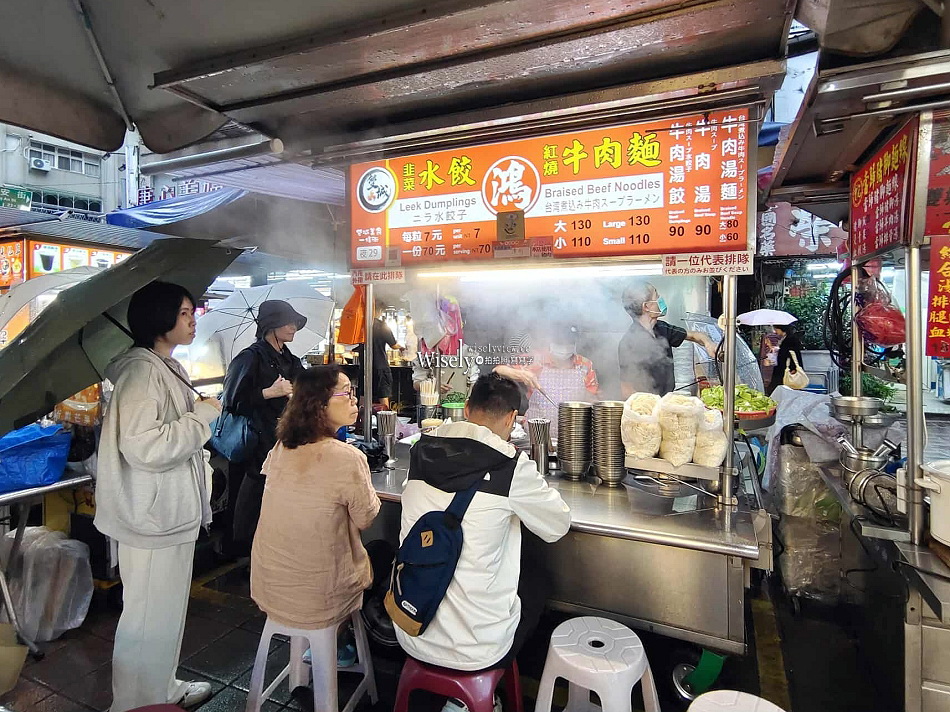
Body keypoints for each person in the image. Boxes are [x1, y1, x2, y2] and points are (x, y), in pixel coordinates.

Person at [94, 281, 223, 712]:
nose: (192, 321)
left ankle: (162, 691)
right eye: (185, 313)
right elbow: (145, 447)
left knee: (164, 616)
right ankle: (133, 703)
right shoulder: (141, 372)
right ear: (159, 318)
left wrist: (195, 411)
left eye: (192, 312)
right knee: (146, 618)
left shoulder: (166, 366)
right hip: (151, 517)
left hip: (170, 513)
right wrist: (202, 415)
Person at [395, 373, 571, 683]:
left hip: (411, 627)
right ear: (512, 418)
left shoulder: (421, 448)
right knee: (537, 581)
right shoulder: (511, 466)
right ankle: (487, 691)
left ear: (465, 408)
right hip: (476, 649)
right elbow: (557, 526)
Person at [251, 366, 380, 662]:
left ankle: (319, 651)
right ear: (319, 404)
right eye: (346, 393)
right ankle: (341, 642)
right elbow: (367, 519)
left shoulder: (282, 447)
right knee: (381, 553)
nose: (355, 400)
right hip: (318, 600)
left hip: (268, 586)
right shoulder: (347, 458)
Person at [221, 300, 307, 556]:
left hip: (281, 440)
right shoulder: (250, 357)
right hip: (255, 447)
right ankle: (243, 554)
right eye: (287, 321)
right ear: (271, 325)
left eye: (295, 322)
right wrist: (269, 392)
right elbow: (232, 402)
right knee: (250, 506)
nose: (293, 327)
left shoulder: (289, 358)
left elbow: (303, 385)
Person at [619, 281, 718, 397]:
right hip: (645, 408)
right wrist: (651, 405)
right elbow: (627, 390)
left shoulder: (661, 328)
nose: (661, 300)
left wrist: (709, 344)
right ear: (646, 306)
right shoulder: (629, 344)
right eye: (657, 297)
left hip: (666, 398)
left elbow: (695, 335)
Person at [516, 324, 599, 438]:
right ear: (551, 343)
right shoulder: (536, 360)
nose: (564, 348)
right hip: (537, 436)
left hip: (573, 437)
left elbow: (591, 398)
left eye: (568, 344)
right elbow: (499, 370)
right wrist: (522, 374)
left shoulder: (585, 365)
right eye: (560, 343)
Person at [357, 299, 404, 409]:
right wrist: (402, 347)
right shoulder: (382, 326)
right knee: (383, 395)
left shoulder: (360, 325)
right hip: (380, 366)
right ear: (379, 310)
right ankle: (385, 422)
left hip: (364, 366)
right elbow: (393, 345)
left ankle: (361, 423)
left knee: (363, 396)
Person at [767, 323, 805, 394]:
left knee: (779, 389)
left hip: (787, 369)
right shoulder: (785, 338)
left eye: (776, 329)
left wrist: (794, 368)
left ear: (782, 329)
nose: (775, 331)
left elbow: (795, 354)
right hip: (782, 368)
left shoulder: (791, 339)